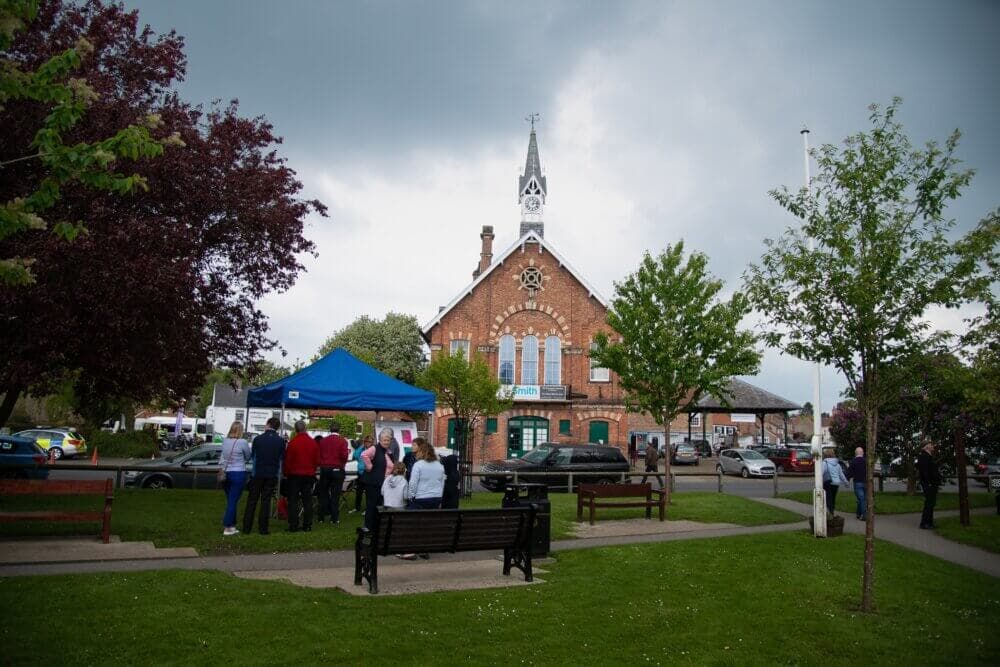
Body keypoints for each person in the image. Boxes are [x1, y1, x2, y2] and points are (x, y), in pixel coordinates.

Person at [242, 417, 286, 535]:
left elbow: (253, 456)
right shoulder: (281, 441)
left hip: (258, 473)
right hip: (272, 473)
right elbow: (282, 459)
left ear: (267, 424)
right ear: (277, 427)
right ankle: (263, 528)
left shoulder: (258, 439)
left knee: (252, 500)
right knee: (266, 501)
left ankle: (247, 527)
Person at [283, 420, 319, 532]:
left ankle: (293, 525)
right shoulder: (313, 443)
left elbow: (287, 461)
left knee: (293, 500)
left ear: (295, 429)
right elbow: (317, 460)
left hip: (294, 475)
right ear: (305, 428)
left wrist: (286, 473)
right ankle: (307, 525)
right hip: (308, 475)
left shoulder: (292, 443)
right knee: (307, 500)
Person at [220, 421, 252, 536]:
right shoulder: (242, 442)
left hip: (226, 472)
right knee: (233, 501)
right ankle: (227, 526)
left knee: (230, 500)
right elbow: (248, 455)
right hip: (238, 472)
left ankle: (232, 525)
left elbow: (223, 456)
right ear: (240, 431)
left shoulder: (225, 441)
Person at [361, 428, 396, 528]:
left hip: (383, 483)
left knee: (379, 506)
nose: (386, 442)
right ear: (380, 440)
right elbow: (364, 455)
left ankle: (376, 526)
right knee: (371, 506)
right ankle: (368, 527)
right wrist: (369, 466)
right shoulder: (374, 448)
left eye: (388, 440)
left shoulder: (388, 452)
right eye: (384, 440)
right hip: (373, 483)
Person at [316, 423, 350, 524]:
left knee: (323, 494)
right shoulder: (342, 441)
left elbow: (319, 455)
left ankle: (321, 517)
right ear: (339, 430)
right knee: (335, 495)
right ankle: (334, 518)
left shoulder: (323, 441)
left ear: (329, 429)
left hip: (325, 469)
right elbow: (344, 456)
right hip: (337, 469)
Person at [407, 438, 445, 510]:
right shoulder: (440, 465)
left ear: (421, 452)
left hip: (421, 498)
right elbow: (442, 483)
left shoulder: (418, 465)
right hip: (437, 497)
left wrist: (410, 497)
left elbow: (413, 483)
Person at [917, 440, 941, 529]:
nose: (932, 446)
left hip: (932, 483)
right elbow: (924, 472)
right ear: (926, 446)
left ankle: (929, 522)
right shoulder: (924, 457)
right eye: (930, 444)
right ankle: (924, 523)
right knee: (929, 503)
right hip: (929, 484)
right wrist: (929, 483)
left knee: (931, 503)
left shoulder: (929, 456)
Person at [821, 448, 848, 515]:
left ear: (825, 455)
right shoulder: (837, 464)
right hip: (836, 483)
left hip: (827, 482)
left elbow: (821, 473)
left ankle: (829, 512)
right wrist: (846, 482)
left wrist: (818, 481)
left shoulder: (824, 463)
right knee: (833, 498)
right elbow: (841, 474)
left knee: (828, 498)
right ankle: (832, 511)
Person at [351, 435, 372, 514]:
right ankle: (357, 507)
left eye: (369, 442)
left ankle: (367, 509)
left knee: (368, 493)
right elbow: (355, 455)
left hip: (368, 473)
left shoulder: (372, 450)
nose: (367, 443)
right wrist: (361, 447)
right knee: (358, 492)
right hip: (360, 473)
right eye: (366, 441)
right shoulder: (362, 449)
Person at [848, 447, 867, 520]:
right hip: (866, 482)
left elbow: (849, 472)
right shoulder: (866, 461)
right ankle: (859, 514)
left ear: (855, 453)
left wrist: (846, 480)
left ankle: (863, 515)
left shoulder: (853, 461)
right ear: (862, 453)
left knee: (860, 499)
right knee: (862, 499)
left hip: (857, 482)